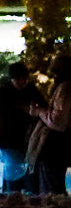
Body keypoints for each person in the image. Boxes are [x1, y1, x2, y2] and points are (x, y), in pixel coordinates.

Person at [0, 61, 46, 192]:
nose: (21, 82)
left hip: (28, 140)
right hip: (8, 139)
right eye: (17, 79)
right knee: (11, 175)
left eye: (23, 79)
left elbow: (44, 109)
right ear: (12, 79)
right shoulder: (2, 94)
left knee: (29, 176)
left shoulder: (32, 92)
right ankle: (11, 200)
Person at [26, 54, 71, 195]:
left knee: (50, 191)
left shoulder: (65, 89)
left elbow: (57, 121)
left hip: (54, 148)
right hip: (54, 149)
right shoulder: (63, 88)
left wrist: (40, 111)